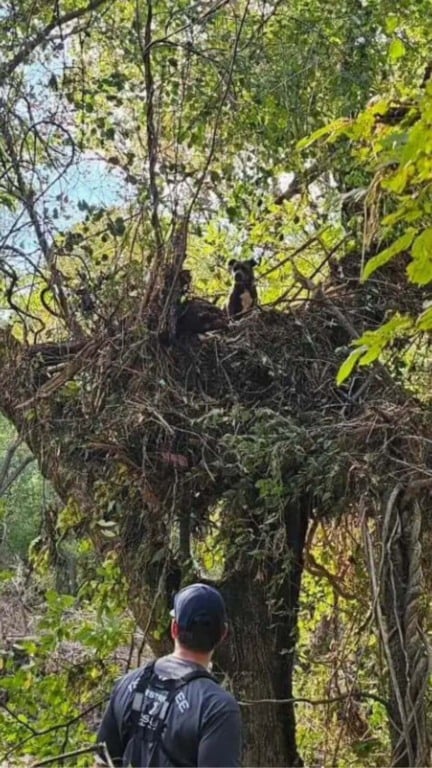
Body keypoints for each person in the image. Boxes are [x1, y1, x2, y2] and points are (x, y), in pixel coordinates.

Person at [97, 583, 242, 767]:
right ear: (223, 634)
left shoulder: (127, 685)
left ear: (174, 628)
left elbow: (101, 762)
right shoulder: (216, 707)